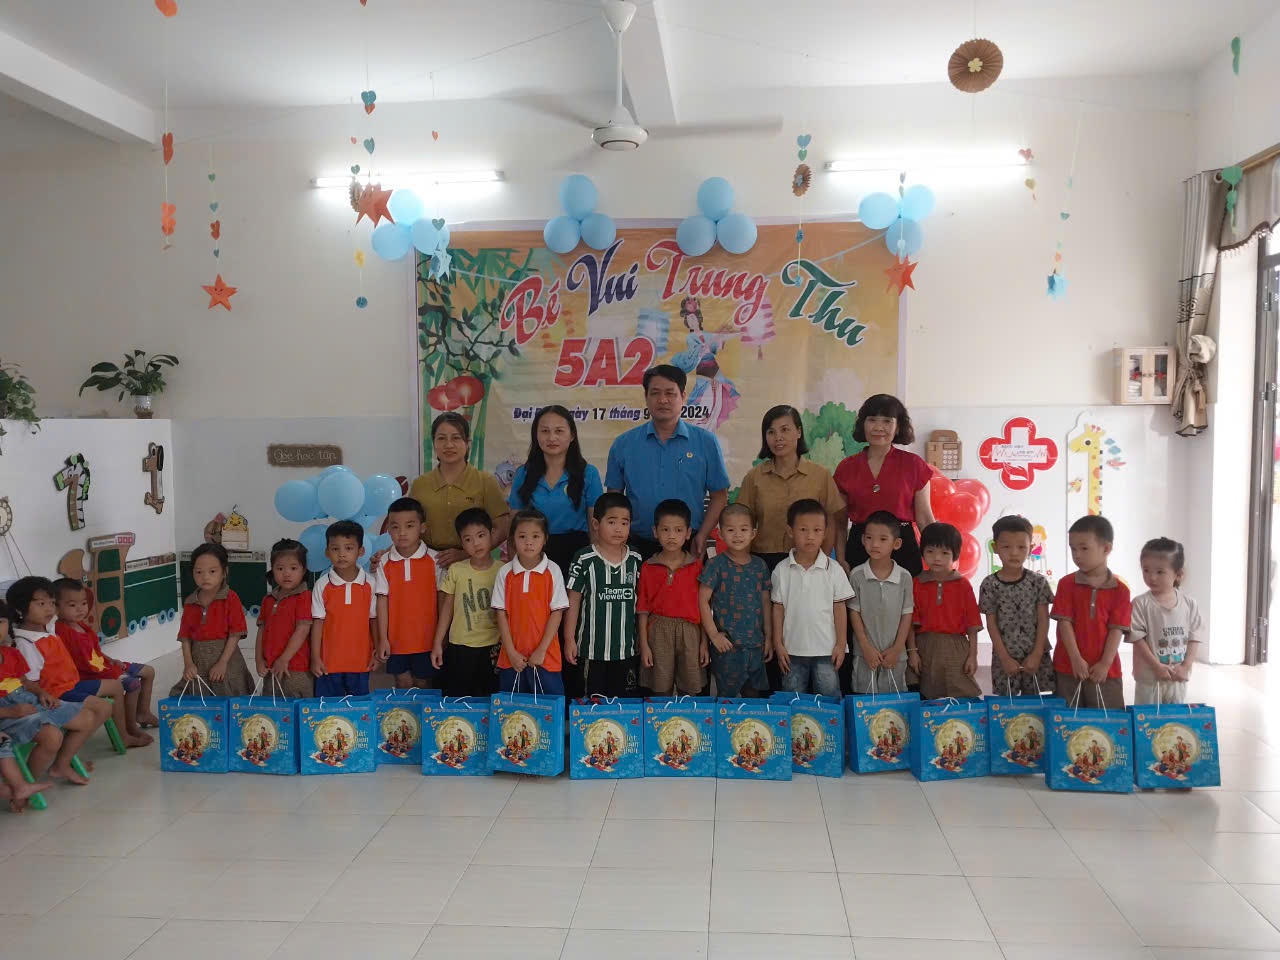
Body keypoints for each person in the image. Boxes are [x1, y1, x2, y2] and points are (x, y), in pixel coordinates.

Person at [509, 404, 603, 697]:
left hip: (574, 556)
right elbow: (515, 522)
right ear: (536, 435)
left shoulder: (587, 474)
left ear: (572, 435)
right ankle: (536, 699)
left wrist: (595, 564)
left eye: (559, 431)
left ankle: (570, 699)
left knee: (569, 629)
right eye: (545, 431)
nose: (552, 437)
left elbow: (595, 524)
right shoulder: (525, 474)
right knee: (536, 626)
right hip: (533, 557)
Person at [605, 364, 730, 560]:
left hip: (689, 545)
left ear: (683, 397)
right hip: (636, 546)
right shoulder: (624, 444)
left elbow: (719, 496)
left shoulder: (705, 442)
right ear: (646, 397)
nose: (663, 400)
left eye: (670, 393)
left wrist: (703, 535)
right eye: (655, 393)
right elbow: (614, 498)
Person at [1, 590, 105, 786]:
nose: (49, 609)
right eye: (41, 604)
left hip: (27, 700)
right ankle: (25, 786)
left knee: (87, 718)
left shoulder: (10, 653)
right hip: (7, 713)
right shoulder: (25, 643)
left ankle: (54, 768)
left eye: (1, 622)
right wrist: (11, 711)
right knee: (52, 737)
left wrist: (41, 693)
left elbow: (24, 681)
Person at [834, 394, 934, 576]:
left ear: (898, 427)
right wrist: (840, 559)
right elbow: (839, 523)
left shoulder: (914, 465)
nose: (878, 427)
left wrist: (937, 561)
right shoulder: (846, 467)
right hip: (860, 548)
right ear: (863, 424)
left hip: (903, 548)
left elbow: (925, 519)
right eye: (872, 420)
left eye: (887, 421)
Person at [736, 405, 846, 571]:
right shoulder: (754, 477)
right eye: (771, 432)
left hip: (808, 560)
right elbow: (742, 522)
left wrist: (820, 562)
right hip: (762, 561)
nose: (778, 438)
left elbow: (830, 520)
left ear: (799, 432)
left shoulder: (820, 475)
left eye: (785, 430)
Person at [770, 499, 854, 698]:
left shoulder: (834, 569)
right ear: (790, 531)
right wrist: (778, 644)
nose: (810, 536)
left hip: (826, 650)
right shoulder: (781, 570)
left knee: (829, 699)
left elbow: (840, 609)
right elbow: (778, 609)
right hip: (792, 650)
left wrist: (841, 644)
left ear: (825, 533)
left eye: (817, 530)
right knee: (792, 699)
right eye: (803, 530)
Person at [53, 577, 160, 732]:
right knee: (132, 684)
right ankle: (130, 727)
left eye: (83, 603)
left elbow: (94, 653)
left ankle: (143, 713)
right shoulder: (62, 631)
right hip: (89, 675)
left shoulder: (81, 625)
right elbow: (82, 665)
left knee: (149, 671)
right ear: (56, 607)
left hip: (103, 666)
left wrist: (111, 660)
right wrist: (115, 671)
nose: (80, 609)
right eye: (72, 605)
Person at [407, 412, 511, 569]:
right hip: (427, 564)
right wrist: (387, 553)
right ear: (433, 443)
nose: (448, 445)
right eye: (441, 438)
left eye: (456, 438)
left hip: (474, 566)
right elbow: (408, 525)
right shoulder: (420, 484)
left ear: (468, 443)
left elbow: (502, 528)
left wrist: (467, 553)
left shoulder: (485, 482)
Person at [564, 492, 642, 698]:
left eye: (624, 523)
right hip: (591, 650)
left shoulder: (635, 558)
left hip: (625, 650)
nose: (618, 528)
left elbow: (642, 602)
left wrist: (642, 639)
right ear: (596, 524)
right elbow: (573, 600)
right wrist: (569, 638)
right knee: (592, 703)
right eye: (612, 521)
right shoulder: (584, 558)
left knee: (622, 705)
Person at [1052, 515, 1131, 710]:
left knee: (1108, 721)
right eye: (1073, 549)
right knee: (1067, 721)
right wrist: (1075, 659)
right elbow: (1064, 624)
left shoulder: (1120, 590)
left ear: (1106, 548)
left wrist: (1105, 664)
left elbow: (1116, 630)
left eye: (1084, 548)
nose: (1077, 555)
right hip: (1068, 667)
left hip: (1105, 671)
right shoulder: (1066, 584)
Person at [491, 509, 569, 695]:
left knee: (549, 707)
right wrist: (511, 652)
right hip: (512, 659)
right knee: (513, 709)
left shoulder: (553, 570)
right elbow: (501, 614)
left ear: (545, 539)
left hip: (545, 657)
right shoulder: (505, 572)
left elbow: (557, 613)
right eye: (522, 536)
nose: (528, 542)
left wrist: (541, 650)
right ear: (512, 539)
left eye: (535, 536)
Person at [699, 503, 772, 698]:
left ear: (753, 533)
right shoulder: (715, 565)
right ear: (720, 534)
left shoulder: (760, 566)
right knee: (726, 701)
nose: (737, 535)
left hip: (755, 645)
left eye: (744, 529)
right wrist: (714, 635)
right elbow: (703, 601)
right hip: (727, 647)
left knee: (753, 697)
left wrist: (769, 637)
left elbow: (766, 603)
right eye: (731, 530)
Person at [638, 499, 708, 697]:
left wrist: (704, 642)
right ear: (655, 532)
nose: (671, 536)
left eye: (678, 530)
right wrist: (644, 644)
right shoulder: (648, 567)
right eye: (665, 530)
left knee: (690, 689)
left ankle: (686, 719)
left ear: (688, 533)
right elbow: (642, 609)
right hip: (658, 631)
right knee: (660, 690)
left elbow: (704, 607)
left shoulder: (697, 567)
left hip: (690, 632)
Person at [980, 516, 1056, 697]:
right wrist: (1004, 658)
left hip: (1035, 654)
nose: (1014, 553)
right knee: (1007, 707)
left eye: (1021, 547)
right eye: (1006, 547)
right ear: (995, 548)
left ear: (1031, 548)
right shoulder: (990, 584)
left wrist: (1037, 654)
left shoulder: (1038, 582)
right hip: (1005, 655)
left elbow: (1044, 619)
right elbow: (991, 624)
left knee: (1037, 705)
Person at [170, 543, 256, 698]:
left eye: (212, 571)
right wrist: (188, 664)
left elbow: (235, 634)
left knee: (228, 700)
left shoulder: (231, 598)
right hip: (199, 663)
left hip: (226, 663)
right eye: (199, 572)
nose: (205, 577)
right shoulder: (190, 602)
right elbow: (185, 637)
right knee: (200, 702)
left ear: (224, 572)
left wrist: (223, 662)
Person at [909, 522, 982, 700]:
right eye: (930, 551)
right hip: (924, 645)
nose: (937, 558)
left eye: (944, 553)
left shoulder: (963, 585)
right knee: (927, 692)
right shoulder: (916, 583)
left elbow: (972, 624)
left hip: (956, 646)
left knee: (961, 691)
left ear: (955, 555)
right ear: (922, 552)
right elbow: (910, 622)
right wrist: (912, 652)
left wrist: (973, 655)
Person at [374, 497, 441, 689]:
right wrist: (383, 638)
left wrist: (440, 638)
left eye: (409, 526)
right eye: (395, 527)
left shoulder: (435, 560)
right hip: (396, 640)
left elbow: (443, 601)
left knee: (423, 684)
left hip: (427, 640)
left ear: (422, 527)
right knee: (402, 683)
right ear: (388, 530)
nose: (402, 533)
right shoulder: (384, 562)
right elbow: (382, 601)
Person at [433, 508, 501, 697]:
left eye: (481, 535)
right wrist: (438, 642)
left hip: (493, 646)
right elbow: (447, 609)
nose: (476, 543)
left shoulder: (503, 570)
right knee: (460, 697)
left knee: (490, 697)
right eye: (468, 539)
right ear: (461, 543)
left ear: (491, 534)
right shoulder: (456, 570)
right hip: (461, 645)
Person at [1129, 537, 1202, 705]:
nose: (1151, 577)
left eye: (1159, 572)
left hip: (1177, 678)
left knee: (1173, 718)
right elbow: (1138, 639)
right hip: (1149, 679)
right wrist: (1156, 666)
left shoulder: (1189, 604)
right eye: (1146, 570)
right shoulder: (1140, 603)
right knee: (1147, 718)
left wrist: (1185, 667)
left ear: (1178, 574)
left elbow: (1194, 638)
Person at [847, 511, 914, 694]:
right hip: (865, 654)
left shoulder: (904, 577)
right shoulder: (857, 575)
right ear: (863, 540)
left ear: (896, 543)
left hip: (895, 655)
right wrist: (865, 647)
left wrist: (897, 649)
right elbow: (854, 613)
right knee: (864, 702)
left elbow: (907, 615)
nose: (875, 544)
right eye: (869, 538)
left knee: (893, 703)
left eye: (883, 539)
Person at [309, 520, 378, 697]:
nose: (341, 554)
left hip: (360, 662)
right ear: (327, 552)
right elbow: (318, 623)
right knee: (328, 710)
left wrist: (376, 651)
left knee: (359, 709)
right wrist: (315, 657)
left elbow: (373, 620)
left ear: (360, 551)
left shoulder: (370, 583)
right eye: (335, 549)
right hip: (328, 663)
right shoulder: (322, 585)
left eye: (348, 548)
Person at [254, 539, 315, 699]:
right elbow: (261, 631)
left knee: (297, 708)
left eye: (293, 568)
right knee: (272, 709)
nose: (286, 574)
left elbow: (302, 629)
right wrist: (259, 659)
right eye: (280, 568)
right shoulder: (268, 600)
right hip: (271, 668)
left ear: (303, 570)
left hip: (295, 669)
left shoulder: (304, 596)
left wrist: (284, 659)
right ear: (273, 569)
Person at [670, 296, 741, 429]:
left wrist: (723, 336)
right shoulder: (690, 337)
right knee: (705, 398)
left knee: (718, 399)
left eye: (693, 318)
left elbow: (716, 345)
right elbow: (695, 352)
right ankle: (700, 427)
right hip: (703, 370)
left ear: (698, 318)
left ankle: (710, 429)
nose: (691, 321)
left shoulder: (707, 334)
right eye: (688, 319)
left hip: (714, 368)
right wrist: (705, 347)